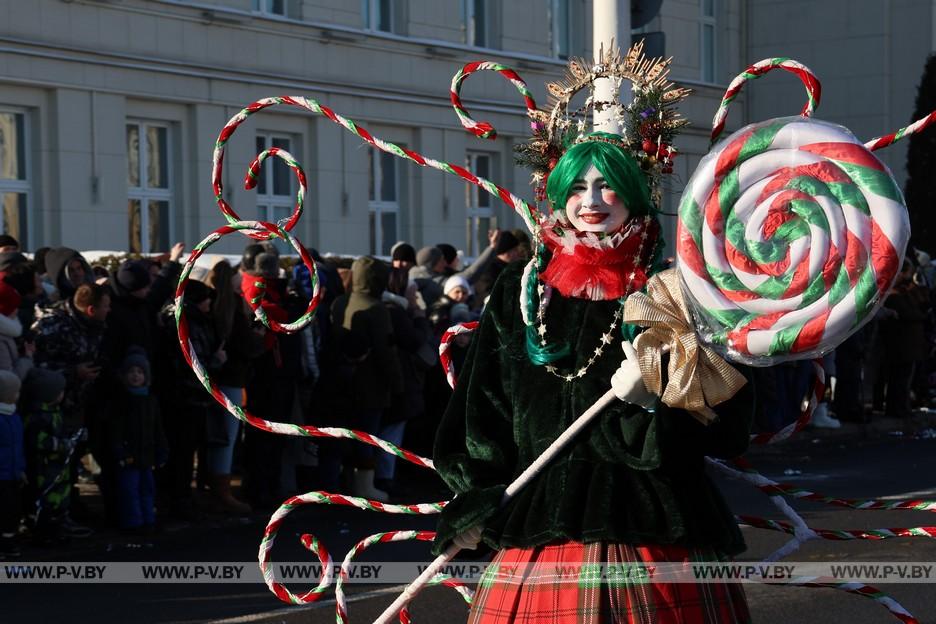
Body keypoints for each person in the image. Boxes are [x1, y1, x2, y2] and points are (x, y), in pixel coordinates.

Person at [431, 133, 753, 621]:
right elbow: (482, 411)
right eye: (577, 187)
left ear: (635, 194)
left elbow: (728, 429)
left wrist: (655, 403)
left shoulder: (673, 293)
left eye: (609, 186)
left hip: (651, 533)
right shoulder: (518, 291)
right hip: (535, 532)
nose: (592, 202)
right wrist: (475, 498)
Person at [105, 348, 167, 532]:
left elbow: (158, 429)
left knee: (147, 489)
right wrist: (120, 452)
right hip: (129, 457)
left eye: (139, 372)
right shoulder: (120, 401)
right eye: (131, 371)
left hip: (146, 455)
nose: (135, 375)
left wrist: (162, 450)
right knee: (129, 491)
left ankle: (149, 519)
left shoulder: (151, 401)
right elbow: (115, 431)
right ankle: (134, 523)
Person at [0, 370, 25, 558]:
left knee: (12, 510)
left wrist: (21, 469)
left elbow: (18, 447)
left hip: (13, 473)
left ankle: (8, 540)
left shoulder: (14, 417)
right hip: (2, 474)